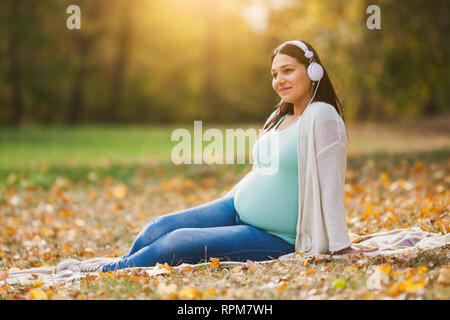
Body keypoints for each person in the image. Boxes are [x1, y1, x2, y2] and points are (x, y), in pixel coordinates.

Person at [92, 40, 373, 273]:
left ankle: (109, 272)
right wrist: (227, 203)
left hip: (277, 237)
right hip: (236, 209)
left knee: (174, 243)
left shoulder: (321, 117)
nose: (279, 80)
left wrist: (340, 245)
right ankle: (121, 265)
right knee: (158, 227)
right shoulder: (280, 118)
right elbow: (261, 171)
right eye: (274, 74)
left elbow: (331, 186)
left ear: (313, 72)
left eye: (288, 70)